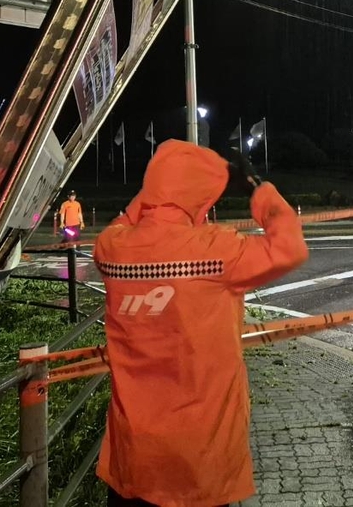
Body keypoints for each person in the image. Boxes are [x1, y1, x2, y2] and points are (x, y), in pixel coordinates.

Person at [95, 140, 308, 507]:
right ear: (201, 196)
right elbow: (289, 248)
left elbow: (126, 220)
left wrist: (150, 197)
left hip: (134, 454)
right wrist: (260, 189)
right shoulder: (217, 252)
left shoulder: (112, 249)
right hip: (200, 457)